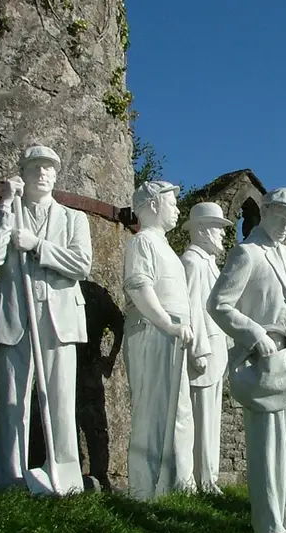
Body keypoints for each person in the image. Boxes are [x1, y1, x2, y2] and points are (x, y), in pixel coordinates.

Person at [207, 188, 286, 533]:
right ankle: (270, 524)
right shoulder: (247, 253)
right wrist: (255, 335)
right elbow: (219, 304)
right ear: (265, 211)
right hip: (261, 360)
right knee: (268, 446)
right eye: (282, 218)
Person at [0, 145, 92, 493]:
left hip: (58, 318)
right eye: (35, 168)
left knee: (59, 399)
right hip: (16, 314)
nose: (43, 173)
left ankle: (64, 477)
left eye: (49, 168)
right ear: (23, 173)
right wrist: (2, 207)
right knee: (12, 400)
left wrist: (37, 245)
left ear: (56, 175)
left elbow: (81, 264)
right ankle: (9, 478)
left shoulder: (74, 219)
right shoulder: (8, 213)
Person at [122, 180, 196, 500]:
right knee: (152, 412)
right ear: (152, 205)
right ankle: (143, 488)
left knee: (177, 413)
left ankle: (174, 483)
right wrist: (167, 324)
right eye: (171, 202)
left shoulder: (165, 248)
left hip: (172, 335)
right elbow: (139, 287)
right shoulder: (143, 243)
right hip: (153, 332)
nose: (177, 208)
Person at [180, 202, 234, 494]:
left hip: (217, 348)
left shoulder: (210, 264)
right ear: (201, 230)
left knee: (212, 417)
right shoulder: (192, 262)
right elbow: (191, 308)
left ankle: (209, 476)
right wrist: (198, 349)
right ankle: (201, 478)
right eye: (217, 228)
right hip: (205, 349)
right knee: (200, 416)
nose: (223, 235)